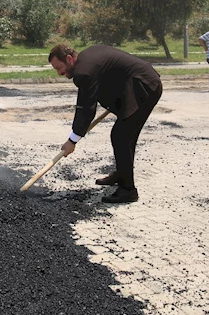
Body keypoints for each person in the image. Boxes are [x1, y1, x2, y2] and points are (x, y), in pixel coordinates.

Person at [49, 44, 162, 204]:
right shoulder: (87, 59)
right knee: (125, 136)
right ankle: (122, 173)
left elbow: (86, 109)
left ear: (69, 59)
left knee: (121, 136)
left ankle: (128, 190)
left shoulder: (83, 72)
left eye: (59, 68)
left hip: (144, 87)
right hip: (137, 83)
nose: (60, 73)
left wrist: (72, 140)